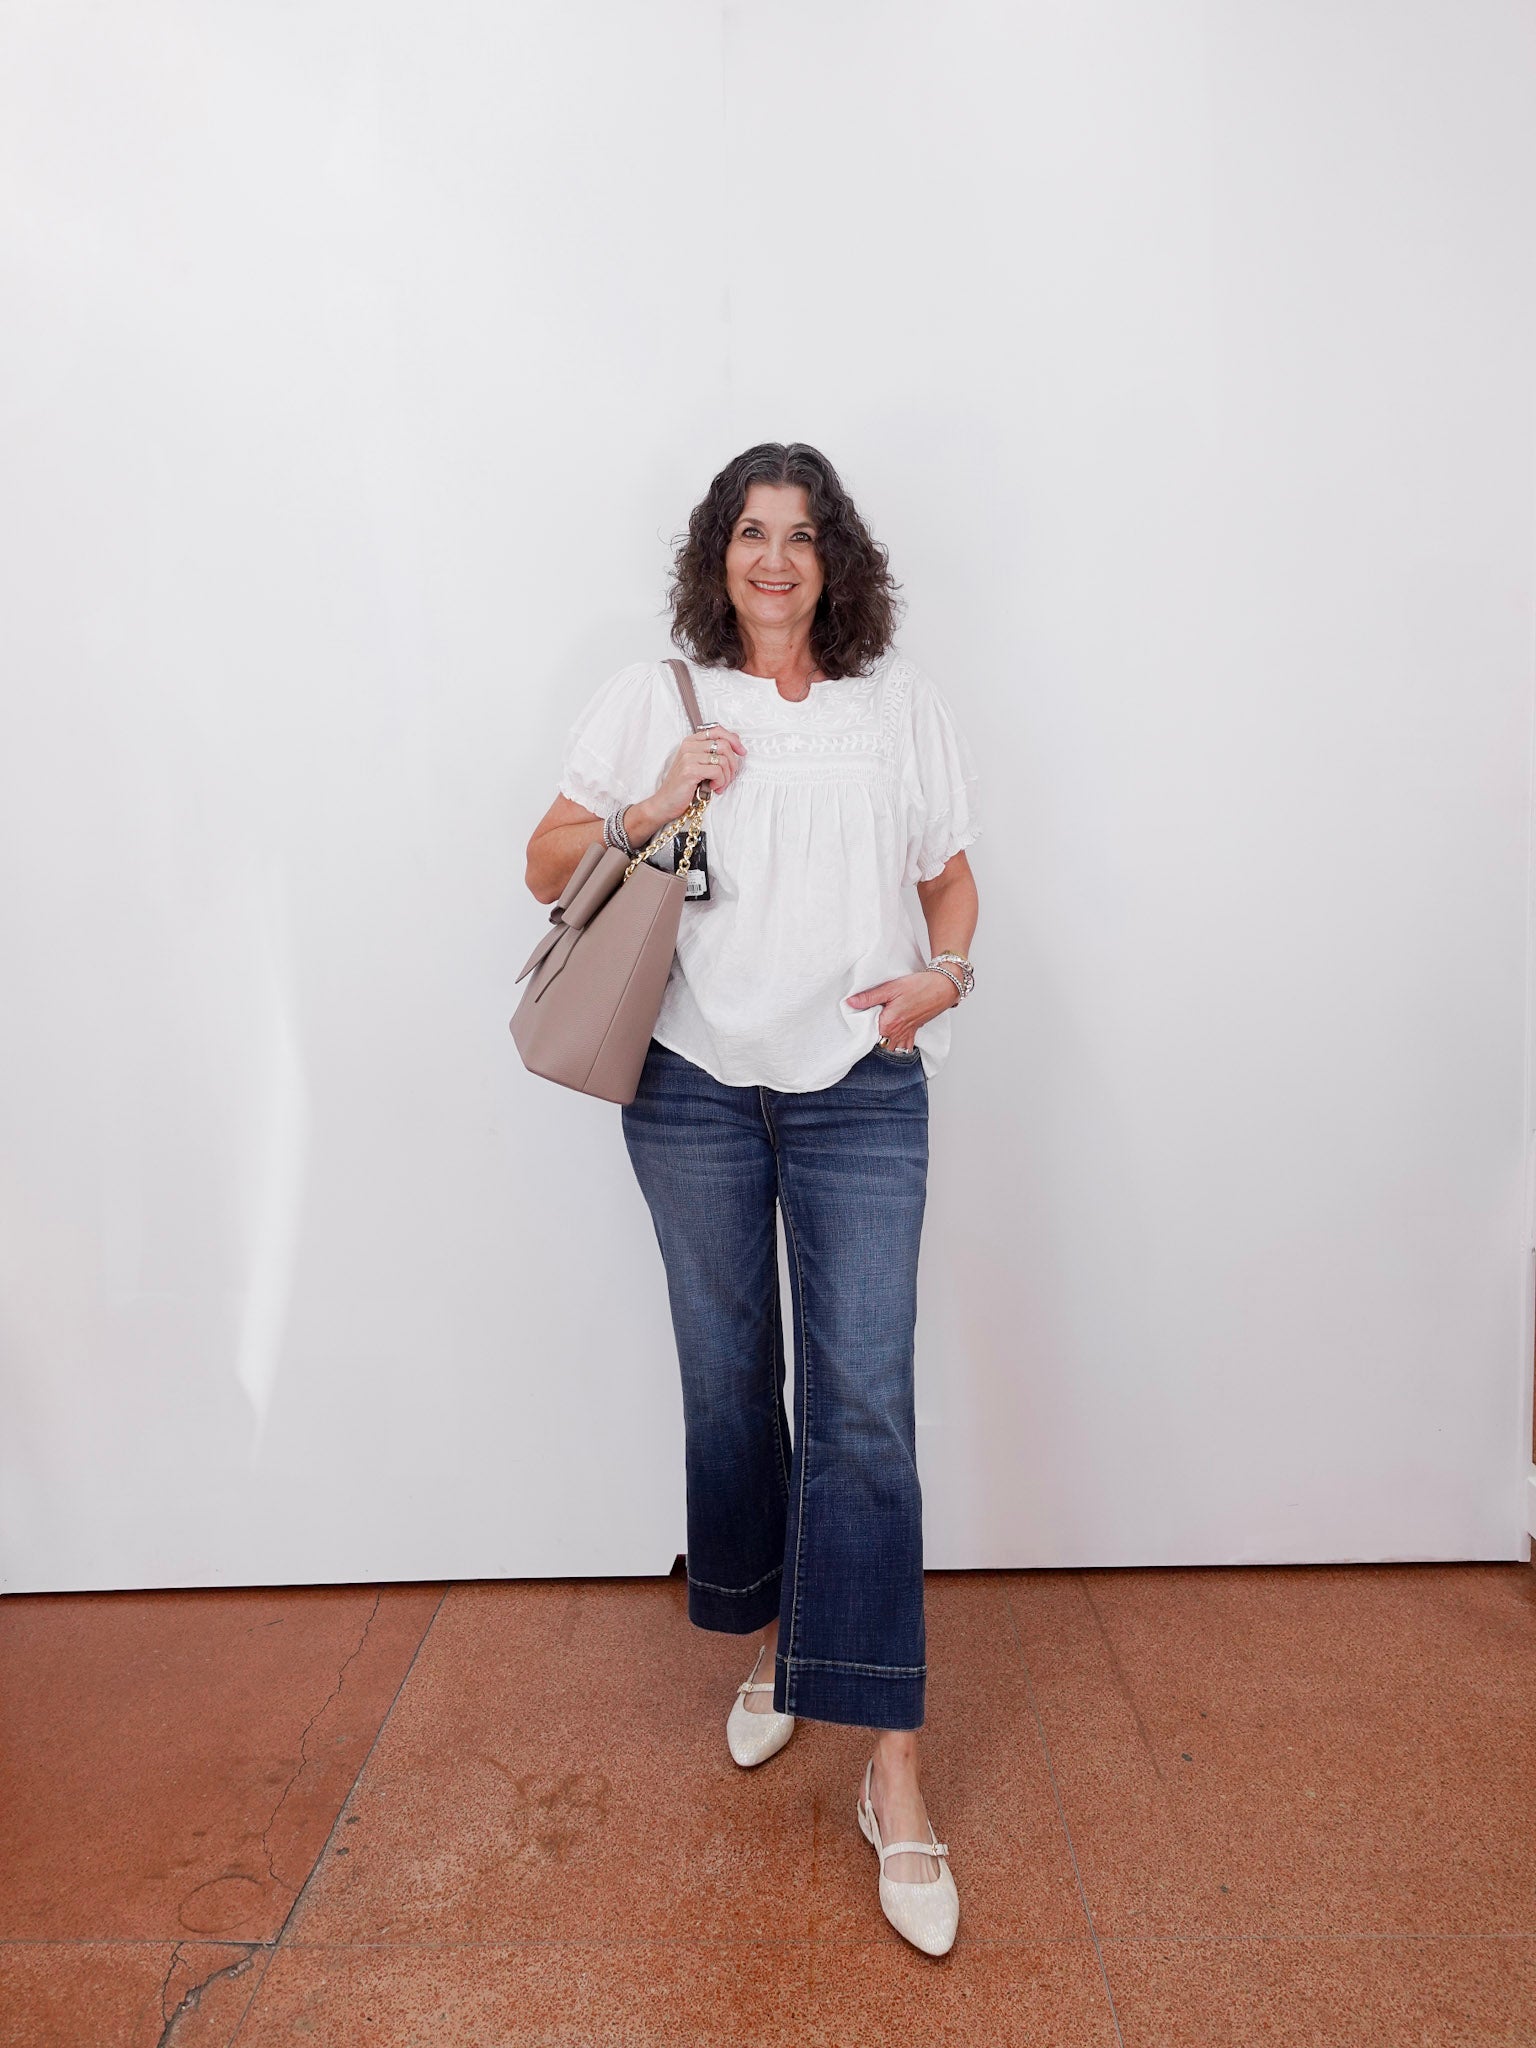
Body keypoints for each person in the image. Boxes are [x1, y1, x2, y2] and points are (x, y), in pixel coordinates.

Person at [524, 441, 980, 1956]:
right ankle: (780, 1651)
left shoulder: (894, 707)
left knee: (865, 1416)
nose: (773, 560)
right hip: (694, 1090)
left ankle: (893, 1780)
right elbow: (545, 864)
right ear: (716, 557)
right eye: (747, 534)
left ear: (834, 559)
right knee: (733, 1388)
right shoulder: (660, 697)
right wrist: (659, 794)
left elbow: (953, 880)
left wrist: (946, 973)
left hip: (861, 1086)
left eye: (799, 536)